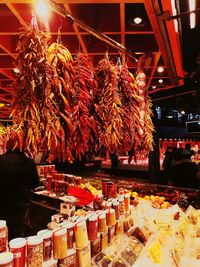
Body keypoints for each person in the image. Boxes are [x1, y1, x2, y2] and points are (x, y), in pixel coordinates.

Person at [0, 134, 39, 240]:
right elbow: (35, 184)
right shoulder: (29, 162)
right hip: (20, 210)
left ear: (7, 146)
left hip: (2, 209)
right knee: (16, 239)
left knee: (1, 240)